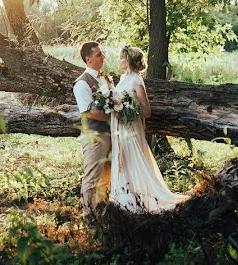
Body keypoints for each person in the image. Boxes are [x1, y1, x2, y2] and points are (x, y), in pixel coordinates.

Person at [109, 45, 189, 213]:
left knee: (133, 159)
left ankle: (141, 195)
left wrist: (126, 109)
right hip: (119, 127)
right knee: (123, 158)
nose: (119, 60)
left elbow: (146, 110)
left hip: (131, 127)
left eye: (122, 58)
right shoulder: (123, 77)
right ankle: (124, 195)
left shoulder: (136, 80)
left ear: (129, 60)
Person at [72, 41, 114, 220]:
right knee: (92, 175)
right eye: (98, 54)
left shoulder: (105, 78)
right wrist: (113, 113)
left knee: (108, 173)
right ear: (88, 59)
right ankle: (88, 214)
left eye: (102, 53)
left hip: (111, 134)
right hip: (94, 137)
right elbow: (89, 112)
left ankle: (102, 210)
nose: (102, 56)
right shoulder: (81, 84)